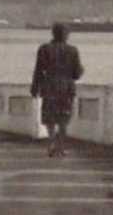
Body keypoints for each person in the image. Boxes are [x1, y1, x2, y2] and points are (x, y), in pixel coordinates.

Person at [30, 22, 83, 157]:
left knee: (50, 119)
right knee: (63, 120)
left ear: (53, 33)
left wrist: (35, 87)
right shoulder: (73, 50)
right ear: (66, 35)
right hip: (66, 89)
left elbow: (38, 71)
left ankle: (51, 145)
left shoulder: (44, 49)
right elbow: (76, 73)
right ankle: (61, 147)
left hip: (49, 87)